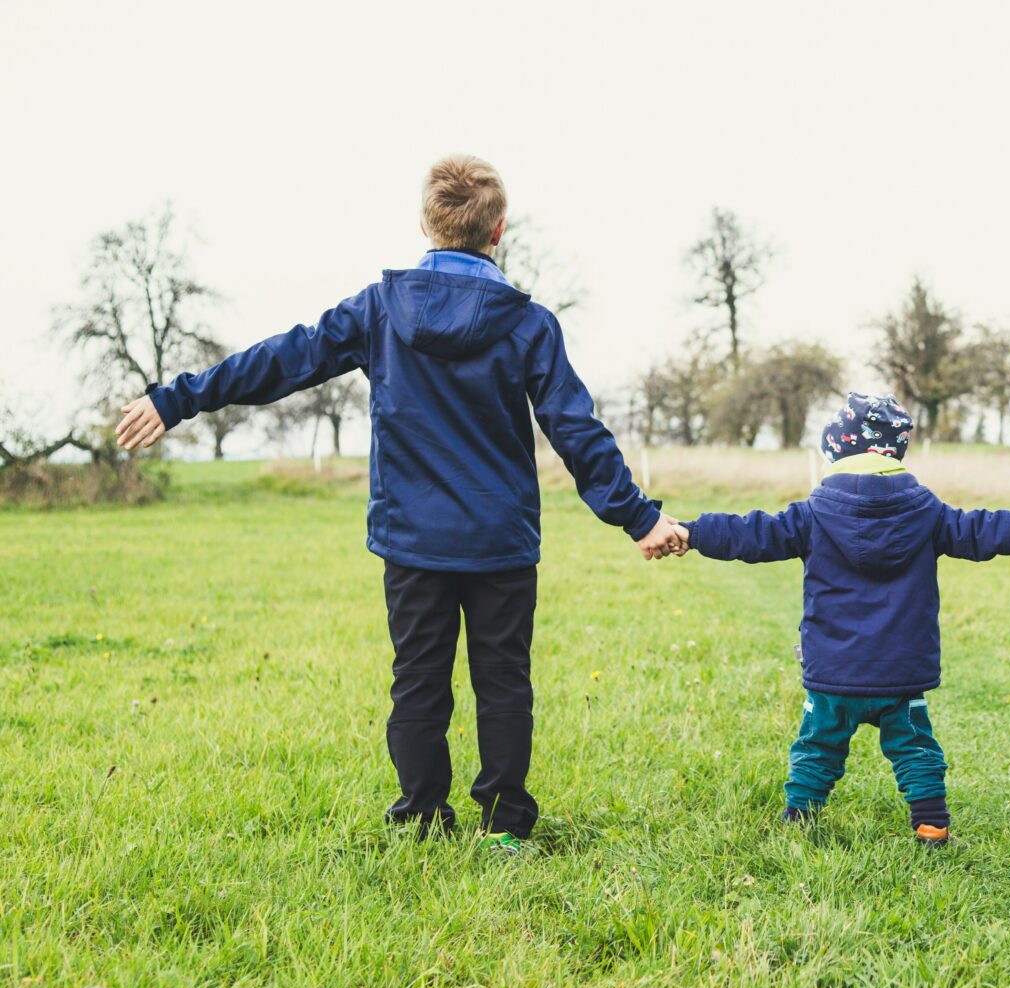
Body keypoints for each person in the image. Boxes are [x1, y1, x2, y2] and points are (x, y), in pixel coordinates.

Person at [112, 155, 687, 854]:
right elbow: (575, 429)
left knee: (418, 683)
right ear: (498, 229)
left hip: (413, 540)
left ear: (425, 222)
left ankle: (420, 817)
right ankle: (504, 827)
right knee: (503, 681)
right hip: (500, 540)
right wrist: (639, 516)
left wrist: (177, 398)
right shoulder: (529, 323)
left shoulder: (381, 310)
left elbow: (282, 359)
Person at [675, 393, 1010, 846]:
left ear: (836, 451)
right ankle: (931, 825)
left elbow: (751, 533)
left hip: (833, 671)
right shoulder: (928, 512)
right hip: (900, 672)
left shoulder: (812, 514)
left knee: (817, 747)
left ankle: (799, 819)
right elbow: (980, 529)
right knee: (915, 749)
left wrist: (692, 532)